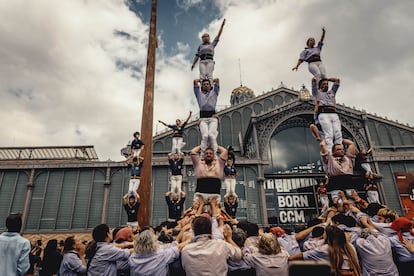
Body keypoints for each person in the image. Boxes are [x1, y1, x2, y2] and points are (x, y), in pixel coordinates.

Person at [191, 19, 226, 85]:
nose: (205, 38)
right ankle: (203, 88)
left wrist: (222, 26)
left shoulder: (212, 44)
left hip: (210, 60)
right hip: (202, 61)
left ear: (209, 37)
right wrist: (193, 64)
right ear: (202, 39)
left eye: (206, 36)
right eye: (203, 37)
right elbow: (197, 55)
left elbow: (218, 35)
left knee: (209, 74)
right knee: (202, 75)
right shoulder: (200, 46)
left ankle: (211, 87)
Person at [312, 77, 342, 153]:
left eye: (327, 84)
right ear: (320, 86)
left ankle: (338, 149)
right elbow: (313, 80)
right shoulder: (316, 93)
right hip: (323, 113)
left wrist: (327, 79)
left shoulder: (332, 92)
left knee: (338, 132)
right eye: (324, 84)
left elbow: (337, 80)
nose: (326, 85)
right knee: (329, 134)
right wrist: (318, 79)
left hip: (333, 112)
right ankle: (330, 153)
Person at [193, 78, 220, 157]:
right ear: (202, 86)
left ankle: (214, 155)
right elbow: (195, 82)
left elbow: (217, 80)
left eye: (207, 84)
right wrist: (201, 80)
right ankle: (202, 154)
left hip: (212, 117)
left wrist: (211, 80)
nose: (206, 85)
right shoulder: (199, 94)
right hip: (203, 118)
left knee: (211, 135)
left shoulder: (214, 92)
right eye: (204, 84)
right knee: (205, 136)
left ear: (210, 85)